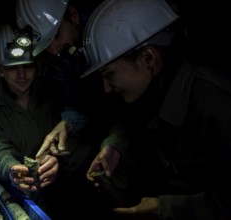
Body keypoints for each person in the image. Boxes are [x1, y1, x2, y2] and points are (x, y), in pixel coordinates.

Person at [77, 0, 231, 219]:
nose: (106, 88)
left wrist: (164, 208)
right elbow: (129, 124)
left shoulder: (217, 104)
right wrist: (116, 146)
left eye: (109, 74)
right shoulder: (151, 90)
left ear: (147, 58)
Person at [0, 24, 108, 219]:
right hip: (28, 195)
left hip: (70, 190)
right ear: (0, 69)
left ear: (37, 65)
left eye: (27, 66)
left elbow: (78, 131)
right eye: (13, 68)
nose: (21, 74)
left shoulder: (55, 91)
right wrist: (11, 168)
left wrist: (57, 158)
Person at [15, 0, 121, 162]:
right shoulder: (63, 57)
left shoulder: (112, 32)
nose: (54, 49)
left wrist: (116, 140)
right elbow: (79, 103)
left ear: (73, 14)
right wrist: (67, 123)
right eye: (46, 45)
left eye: (56, 36)